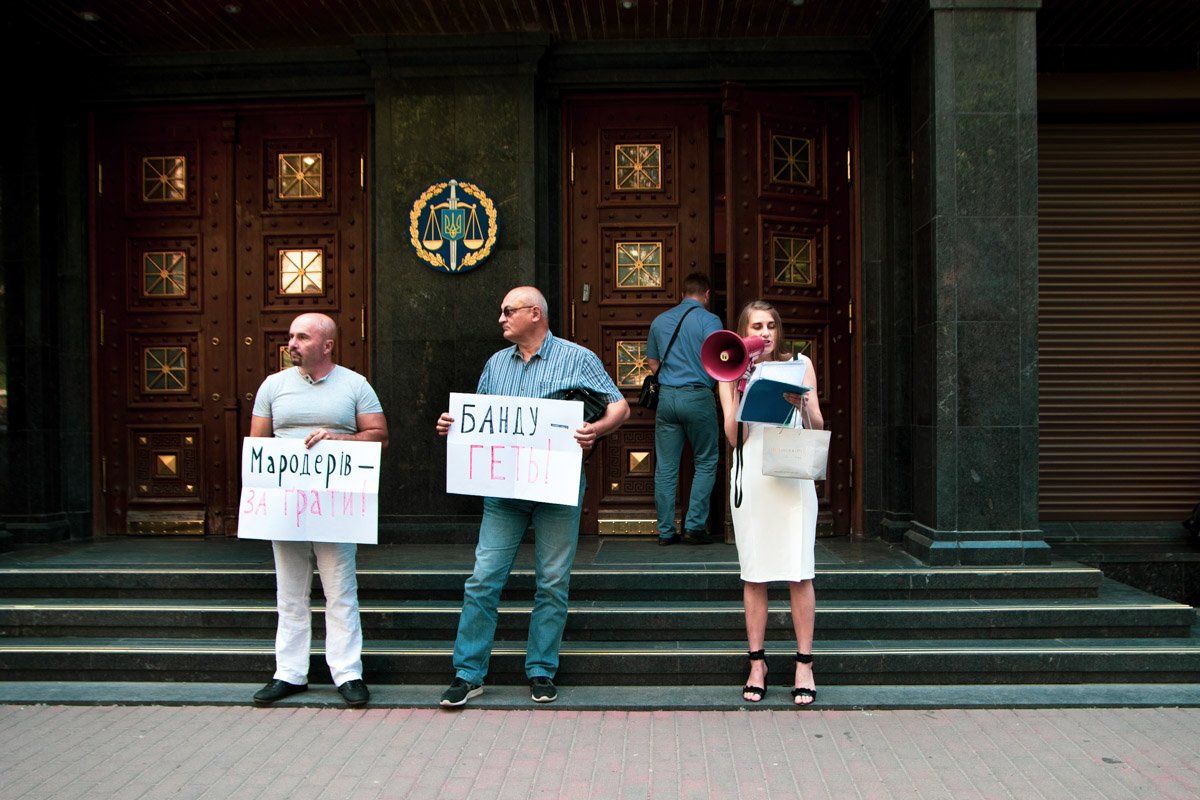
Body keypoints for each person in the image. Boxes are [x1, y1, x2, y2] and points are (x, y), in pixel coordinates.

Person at [435, 286, 630, 707]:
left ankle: (541, 669)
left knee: (553, 581)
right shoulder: (495, 363)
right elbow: (479, 416)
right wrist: (455, 425)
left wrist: (595, 430)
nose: (501, 319)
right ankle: (468, 673)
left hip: (556, 484)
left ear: (535, 313)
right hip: (504, 488)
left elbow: (619, 407)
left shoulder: (577, 358)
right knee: (484, 578)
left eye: (508, 311)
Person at [248, 312, 389, 708]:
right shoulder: (273, 386)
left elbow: (380, 437)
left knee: (339, 590)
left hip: (335, 506)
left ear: (327, 345)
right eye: (291, 336)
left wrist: (339, 438)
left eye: (302, 337)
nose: (291, 343)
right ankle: (289, 673)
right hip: (287, 503)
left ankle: (347, 673)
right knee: (289, 592)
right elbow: (257, 443)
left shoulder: (355, 385)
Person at [716, 300, 824, 706]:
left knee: (800, 571)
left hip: (792, 475)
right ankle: (757, 663)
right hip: (754, 478)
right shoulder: (729, 370)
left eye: (771, 325)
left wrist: (802, 406)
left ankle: (804, 665)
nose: (764, 332)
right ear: (743, 331)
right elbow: (734, 439)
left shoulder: (799, 363)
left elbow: (817, 424)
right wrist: (741, 391)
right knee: (755, 572)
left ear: (779, 331)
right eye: (755, 326)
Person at [646, 272, 723, 546]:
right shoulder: (710, 320)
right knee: (705, 460)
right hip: (698, 396)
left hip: (667, 398)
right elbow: (720, 360)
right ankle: (694, 527)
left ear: (682, 294)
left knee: (666, 466)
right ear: (706, 295)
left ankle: (666, 531)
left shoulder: (659, 321)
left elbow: (653, 363)